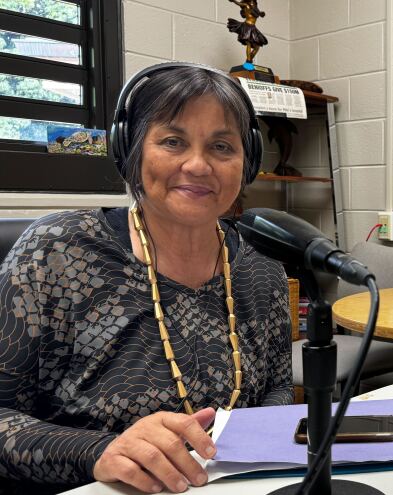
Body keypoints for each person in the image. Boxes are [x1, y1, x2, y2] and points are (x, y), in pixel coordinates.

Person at [0, 63, 293, 494]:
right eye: (173, 141)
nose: (198, 165)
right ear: (130, 151)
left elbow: (278, 387)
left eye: (222, 146)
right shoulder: (55, 252)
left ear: (246, 165)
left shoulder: (261, 265)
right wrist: (98, 451)